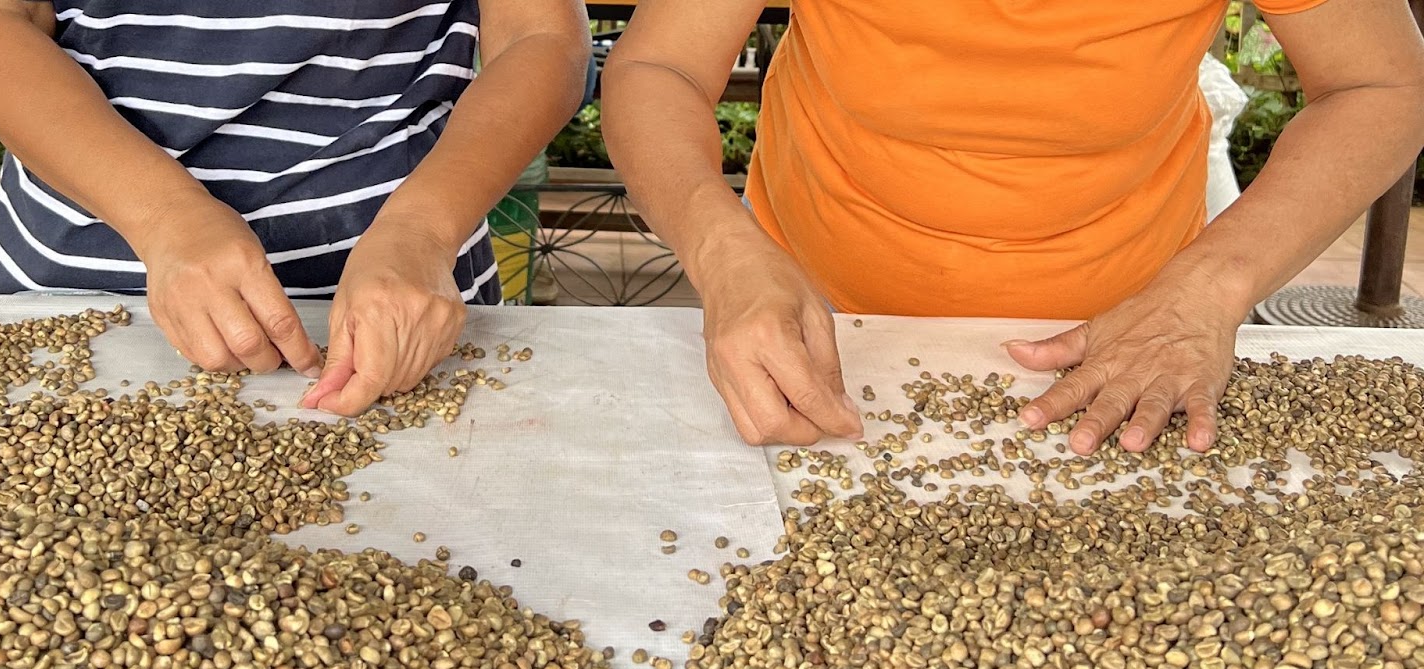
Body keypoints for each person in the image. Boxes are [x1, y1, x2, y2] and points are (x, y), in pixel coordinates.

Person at [602, 0, 1424, 453]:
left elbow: (1382, 87)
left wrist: (1211, 289)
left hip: (1128, 346)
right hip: (822, 329)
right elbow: (657, 66)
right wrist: (720, 247)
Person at [0, 0, 588, 415]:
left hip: (399, 320)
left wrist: (421, 231)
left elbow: (540, 35)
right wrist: (164, 218)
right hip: (75, 306)